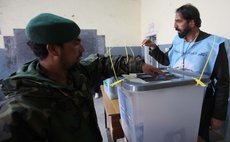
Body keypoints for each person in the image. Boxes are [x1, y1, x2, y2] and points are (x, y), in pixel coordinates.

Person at [0, 13, 163, 142]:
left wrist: (140, 65)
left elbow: (103, 62)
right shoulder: (21, 112)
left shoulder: (78, 73)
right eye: (76, 43)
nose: (83, 49)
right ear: (54, 50)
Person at [142, 4, 229, 142]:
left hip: (201, 104)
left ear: (192, 22)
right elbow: (167, 61)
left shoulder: (215, 44)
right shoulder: (177, 40)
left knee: (197, 137)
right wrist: (153, 47)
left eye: (179, 21)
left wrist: (218, 115)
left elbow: (223, 83)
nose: (174, 26)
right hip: (174, 101)